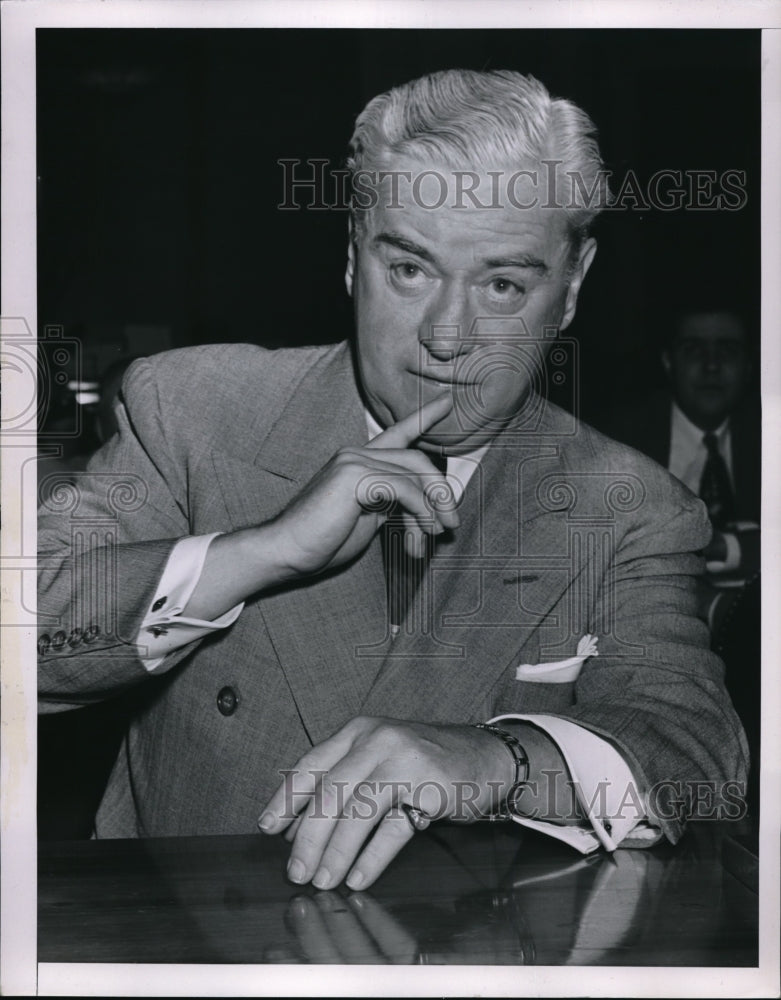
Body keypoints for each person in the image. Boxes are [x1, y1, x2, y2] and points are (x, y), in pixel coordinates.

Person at [38, 69, 747, 892]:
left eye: (503, 285)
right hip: (175, 936)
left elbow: (697, 754)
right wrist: (259, 552)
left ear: (573, 287)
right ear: (350, 254)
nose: (448, 337)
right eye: (409, 269)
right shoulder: (194, 410)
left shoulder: (630, 507)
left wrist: (498, 758)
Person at [604, 306, 760, 580]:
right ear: (669, 362)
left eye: (728, 349)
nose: (711, 365)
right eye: (694, 349)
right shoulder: (617, 440)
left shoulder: (769, 434)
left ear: (749, 365)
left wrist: (728, 547)